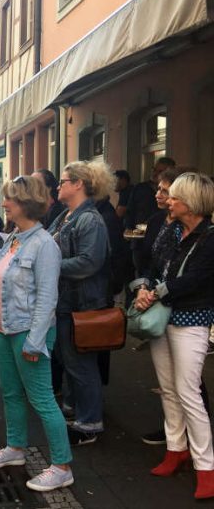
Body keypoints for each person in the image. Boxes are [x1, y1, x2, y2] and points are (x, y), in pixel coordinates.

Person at [0, 175, 73, 491]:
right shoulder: (15, 238)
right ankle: (15, 448)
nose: (4, 204)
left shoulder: (45, 244)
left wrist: (35, 340)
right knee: (11, 393)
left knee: (42, 399)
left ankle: (62, 466)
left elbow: (47, 297)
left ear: (25, 204)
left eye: (10, 200)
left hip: (28, 333)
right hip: (5, 330)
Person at [133, 172, 214, 499]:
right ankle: (176, 450)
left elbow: (196, 279)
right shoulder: (170, 230)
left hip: (190, 319)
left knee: (188, 391)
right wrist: (141, 288)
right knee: (168, 388)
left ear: (192, 203)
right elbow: (152, 267)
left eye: (176, 196)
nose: (169, 199)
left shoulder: (210, 237)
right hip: (161, 318)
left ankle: (206, 466)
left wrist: (154, 293)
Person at [48, 160, 114, 446]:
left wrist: (50, 265)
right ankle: (74, 411)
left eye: (63, 181)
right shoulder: (67, 214)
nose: (58, 186)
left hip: (82, 304)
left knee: (81, 364)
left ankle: (90, 423)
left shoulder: (90, 219)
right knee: (68, 359)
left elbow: (90, 262)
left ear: (78, 184)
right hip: (67, 301)